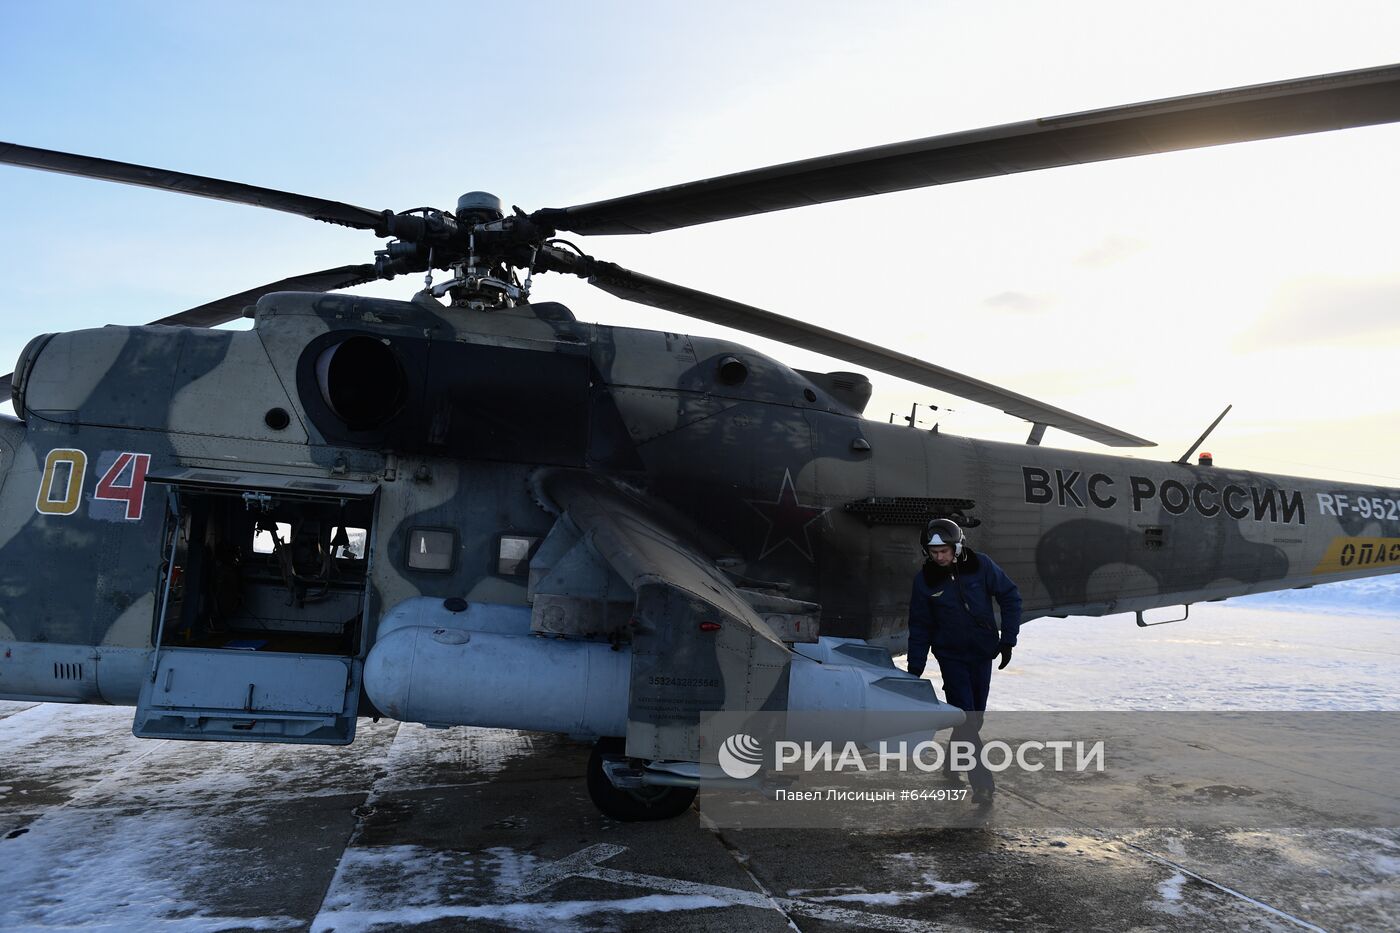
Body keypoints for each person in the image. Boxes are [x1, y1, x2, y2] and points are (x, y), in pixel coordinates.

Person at [906, 518, 1022, 805]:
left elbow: (1010, 596)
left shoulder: (980, 566)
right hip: (951, 656)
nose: (939, 557)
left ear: (957, 547)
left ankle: (952, 763)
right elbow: (920, 626)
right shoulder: (925, 581)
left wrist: (1007, 639)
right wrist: (915, 668)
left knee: (974, 718)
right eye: (933, 553)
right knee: (967, 718)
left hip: (982, 653)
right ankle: (982, 783)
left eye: (944, 551)